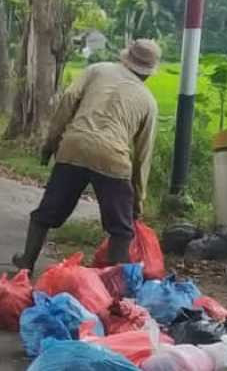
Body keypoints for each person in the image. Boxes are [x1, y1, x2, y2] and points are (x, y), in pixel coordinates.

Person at [12, 39, 161, 274]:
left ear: (126, 58)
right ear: (149, 72)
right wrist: (137, 199)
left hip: (75, 146)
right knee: (121, 230)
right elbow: (143, 155)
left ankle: (26, 263)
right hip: (113, 158)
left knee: (46, 213)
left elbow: (68, 100)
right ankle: (115, 286)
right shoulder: (149, 102)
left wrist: (51, 143)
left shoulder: (97, 70)